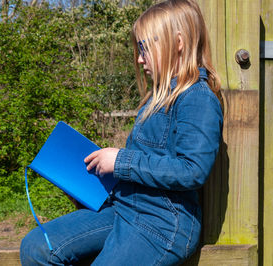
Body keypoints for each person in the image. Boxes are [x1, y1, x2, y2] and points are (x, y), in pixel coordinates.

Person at [20, 0, 224, 265]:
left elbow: (192, 170)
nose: (139, 59)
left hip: (161, 223)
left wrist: (120, 161)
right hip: (122, 208)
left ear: (178, 42)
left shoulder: (197, 98)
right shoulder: (156, 98)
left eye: (145, 48)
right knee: (36, 247)